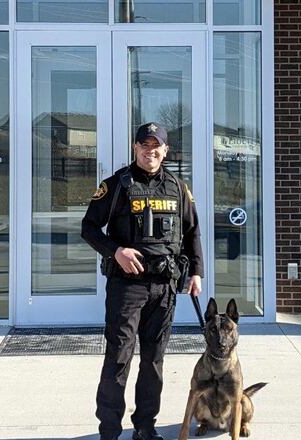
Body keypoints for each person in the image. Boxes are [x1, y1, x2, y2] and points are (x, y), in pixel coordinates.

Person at [81, 122, 204, 440]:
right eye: (144, 145)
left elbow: (192, 232)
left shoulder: (177, 187)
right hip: (127, 287)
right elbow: (89, 227)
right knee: (119, 355)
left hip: (164, 288)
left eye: (156, 145)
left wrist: (197, 273)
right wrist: (116, 250)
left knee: (154, 360)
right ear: (135, 148)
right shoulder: (117, 185)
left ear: (166, 150)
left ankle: (145, 427)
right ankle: (109, 429)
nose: (150, 151)